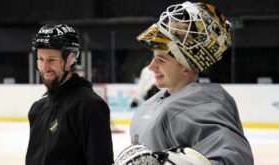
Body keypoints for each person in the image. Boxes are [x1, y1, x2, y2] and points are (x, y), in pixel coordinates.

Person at [129, 1, 254, 164]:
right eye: (153, 58)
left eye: (161, 60)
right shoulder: (152, 104)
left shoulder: (204, 107)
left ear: (186, 67)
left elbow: (234, 159)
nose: (151, 67)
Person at [26, 24, 114, 165]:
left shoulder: (89, 106)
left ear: (71, 59)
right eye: (40, 59)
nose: (44, 67)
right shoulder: (37, 109)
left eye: (51, 60)